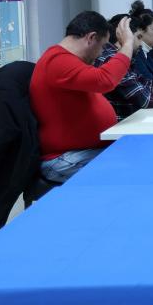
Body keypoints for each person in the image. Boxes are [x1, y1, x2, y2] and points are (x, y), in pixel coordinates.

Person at [29, 11, 133, 183]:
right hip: (64, 159)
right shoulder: (57, 60)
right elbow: (105, 80)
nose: (101, 53)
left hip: (82, 153)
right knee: (133, 171)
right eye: (102, 46)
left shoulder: (69, 61)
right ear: (91, 38)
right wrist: (127, 44)